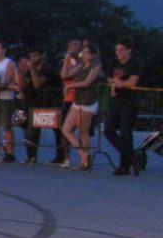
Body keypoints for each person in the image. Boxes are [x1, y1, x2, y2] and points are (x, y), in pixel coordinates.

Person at [104, 37, 143, 175]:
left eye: (121, 50)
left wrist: (121, 83)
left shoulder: (135, 63)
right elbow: (109, 78)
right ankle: (133, 156)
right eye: (117, 50)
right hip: (116, 101)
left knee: (126, 132)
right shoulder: (113, 62)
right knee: (108, 130)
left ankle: (124, 165)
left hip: (130, 101)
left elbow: (133, 81)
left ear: (129, 50)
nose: (118, 52)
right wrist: (115, 81)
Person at [60, 44, 102, 171]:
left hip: (88, 100)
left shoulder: (96, 66)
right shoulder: (82, 64)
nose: (83, 55)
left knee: (83, 132)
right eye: (83, 52)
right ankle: (83, 154)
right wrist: (66, 62)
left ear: (93, 54)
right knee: (66, 129)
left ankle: (85, 160)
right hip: (77, 99)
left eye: (86, 53)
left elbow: (87, 82)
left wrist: (70, 86)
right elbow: (65, 75)